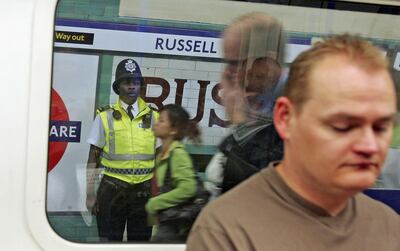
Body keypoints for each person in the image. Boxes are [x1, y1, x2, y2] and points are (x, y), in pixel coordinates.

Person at [186, 34, 400, 250]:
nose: (369, 145)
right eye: (343, 125)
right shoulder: (227, 232)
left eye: (381, 127)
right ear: (286, 119)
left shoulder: (388, 226)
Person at [204, 12, 285, 199]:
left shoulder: (285, 118)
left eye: (235, 63)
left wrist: (240, 124)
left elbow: (249, 190)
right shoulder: (252, 104)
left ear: (267, 63)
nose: (227, 72)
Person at [86, 58, 158, 241]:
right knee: (109, 242)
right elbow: (93, 157)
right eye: (127, 82)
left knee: (140, 243)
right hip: (112, 189)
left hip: (144, 191)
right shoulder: (104, 116)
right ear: (118, 87)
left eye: (135, 82)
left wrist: (159, 194)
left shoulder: (154, 117)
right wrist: (89, 194)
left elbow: (161, 158)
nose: (132, 86)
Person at [146, 104, 201, 242]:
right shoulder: (162, 153)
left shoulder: (178, 154)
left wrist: (154, 203)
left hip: (176, 225)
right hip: (166, 220)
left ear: (173, 130)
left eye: (162, 121)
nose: (157, 123)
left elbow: (188, 188)